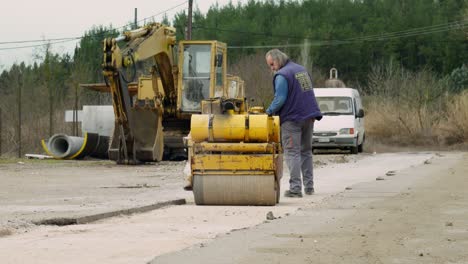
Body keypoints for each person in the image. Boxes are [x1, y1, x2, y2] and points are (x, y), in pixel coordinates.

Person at [265, 49, 322, 197]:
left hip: (292, 119)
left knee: (292, 152)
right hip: (309, 116)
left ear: (278, 60)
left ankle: (295, 189)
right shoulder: (301, 70)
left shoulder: (282, 75)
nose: (271, 68)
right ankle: (309, 187)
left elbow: (280, 99)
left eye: (272, 64)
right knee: (306, 151)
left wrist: (268, 112)